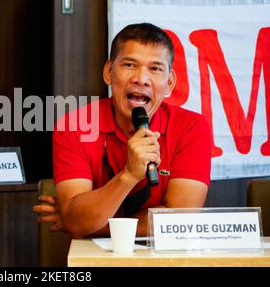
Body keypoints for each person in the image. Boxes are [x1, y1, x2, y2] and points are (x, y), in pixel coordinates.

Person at [33, 23, 211, 238]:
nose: (141, 79)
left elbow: (179, 222)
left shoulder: (191, 127)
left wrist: (93, 223)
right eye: (129, 65)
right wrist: (129, 175)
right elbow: (78, 221)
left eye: (155, 68)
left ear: (170, 83)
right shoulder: (73, 125)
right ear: (109, 72)